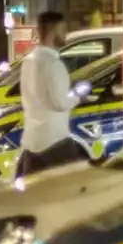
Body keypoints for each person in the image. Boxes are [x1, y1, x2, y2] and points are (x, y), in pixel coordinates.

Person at [16, 11, 92, 177]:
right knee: (77, 185)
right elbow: (59, 103)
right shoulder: (54, 64)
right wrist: (78, 95)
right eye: (62, 30)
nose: (65, 34)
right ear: (53, 31)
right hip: (55, 140)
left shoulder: (28, 62)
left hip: (32, 141)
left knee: (34, 195)